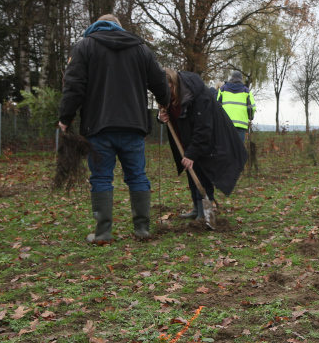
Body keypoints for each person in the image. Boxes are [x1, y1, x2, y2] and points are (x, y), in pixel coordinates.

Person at [58, 14, 170, 243]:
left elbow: (73, 85)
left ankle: (103, 232)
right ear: (120, 27)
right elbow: (159, 80)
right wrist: (165, 103)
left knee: (100, 178)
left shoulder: (84, 47)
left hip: (99, 126)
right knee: (137, 176)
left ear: (96, 26)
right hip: (133, 125)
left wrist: (65, 117)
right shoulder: (140, 48)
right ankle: (142, 229)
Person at [158, 68, 248, 220]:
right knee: (191, 172)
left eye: (169, 88)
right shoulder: (168, 95)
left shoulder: (198, 96)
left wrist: (192, 153)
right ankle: (196, 208)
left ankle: (206, 213)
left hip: (208, 140)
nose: (167, 92)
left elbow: (204, 128)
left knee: (202, 173)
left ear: (175, 84)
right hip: (185, 140)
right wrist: (161, 115)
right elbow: (166, 113)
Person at [217, 71, 255, 142]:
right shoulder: (246, 90)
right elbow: (252, 107)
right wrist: (250, 116)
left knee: (226, 147)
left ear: (231, 78)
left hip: (226, 123)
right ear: (241, 79)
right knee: (239, 149)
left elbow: (217, 105)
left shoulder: (223, 89)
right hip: (241, 124)